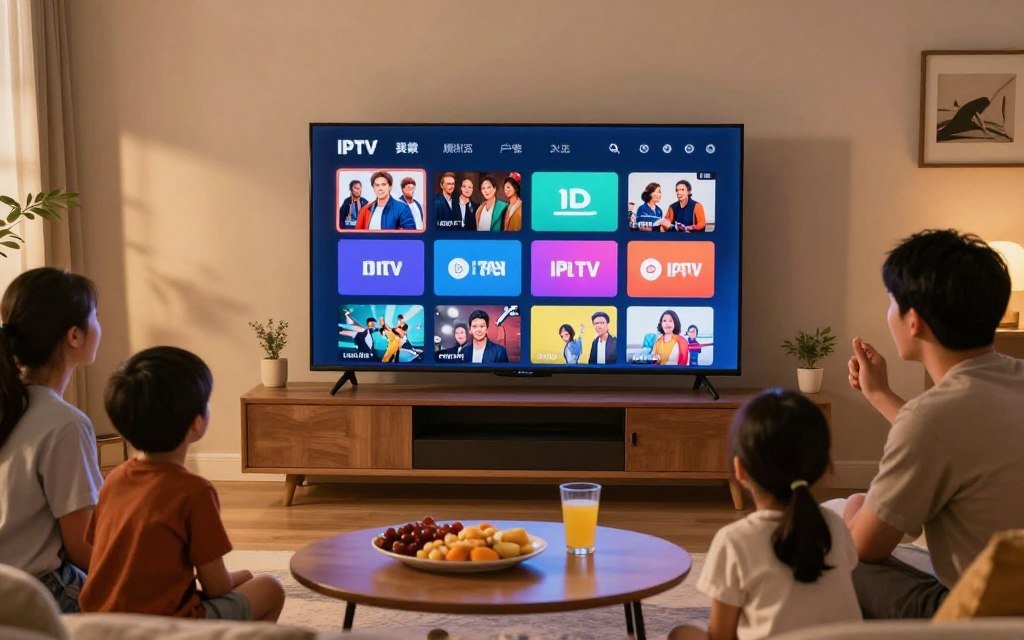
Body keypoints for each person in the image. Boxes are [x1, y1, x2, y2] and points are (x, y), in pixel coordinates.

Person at [842, 229, 1024, 619]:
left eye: (892, 302)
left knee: (842, 556)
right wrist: (880, 394)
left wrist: (855, 509)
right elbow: (961, 435)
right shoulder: (1011, 381)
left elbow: (865, 547)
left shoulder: (931, 417)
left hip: (984, 617)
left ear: (914, 321)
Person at [79, 347, 285, 621]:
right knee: (270, 588)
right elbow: (216, 586)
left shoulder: (113, 479)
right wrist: (242, 576)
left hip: (101, 622)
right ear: (197, 423)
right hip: (168, 626)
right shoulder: (194, 492)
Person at [670, 390, 861, 640]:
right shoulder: (835, 525)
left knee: (681, 634)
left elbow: (721, 636)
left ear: (740, 469)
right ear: (825, 467)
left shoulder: (734, 541)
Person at [0, 268, 103, 613]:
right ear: (74, 336)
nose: (99, 326)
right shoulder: (65, 424)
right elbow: (82, 548)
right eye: (95, 316)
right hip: (34, 593)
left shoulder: (11, 404)